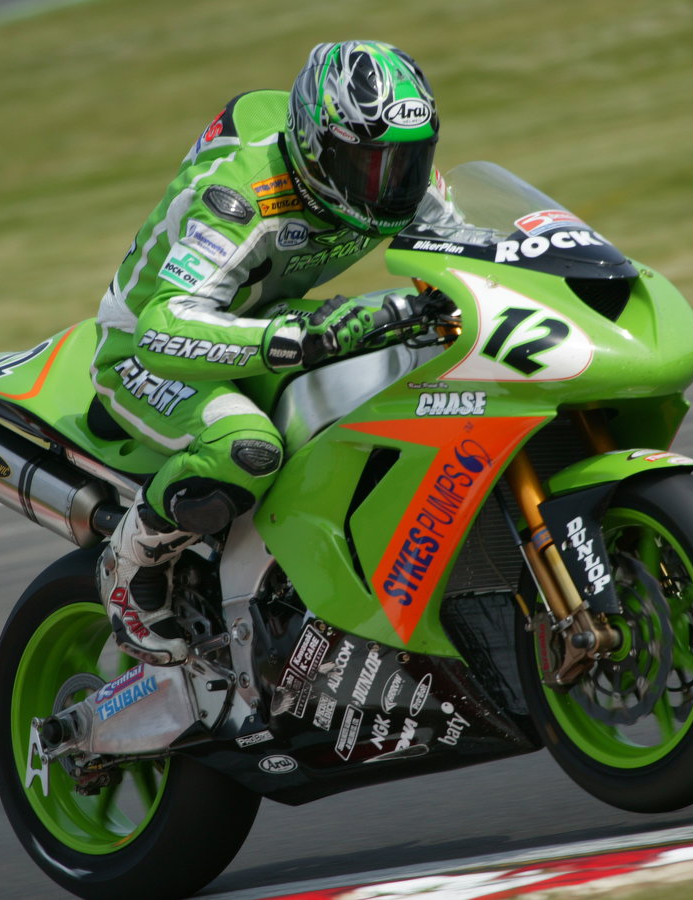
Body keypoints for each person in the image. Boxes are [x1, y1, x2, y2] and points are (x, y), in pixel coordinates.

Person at [91, 40, 442, 665]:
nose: (392, 186)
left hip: (265, 325)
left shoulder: (401, 185)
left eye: (407, 163)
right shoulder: (244, 193)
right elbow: (164, 323)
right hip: (153, 351)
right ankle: (130, 566)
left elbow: (462, 250)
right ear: (315, 146)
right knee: (246, 449)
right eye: (369, 165)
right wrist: (302, 338)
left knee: (414, 359)